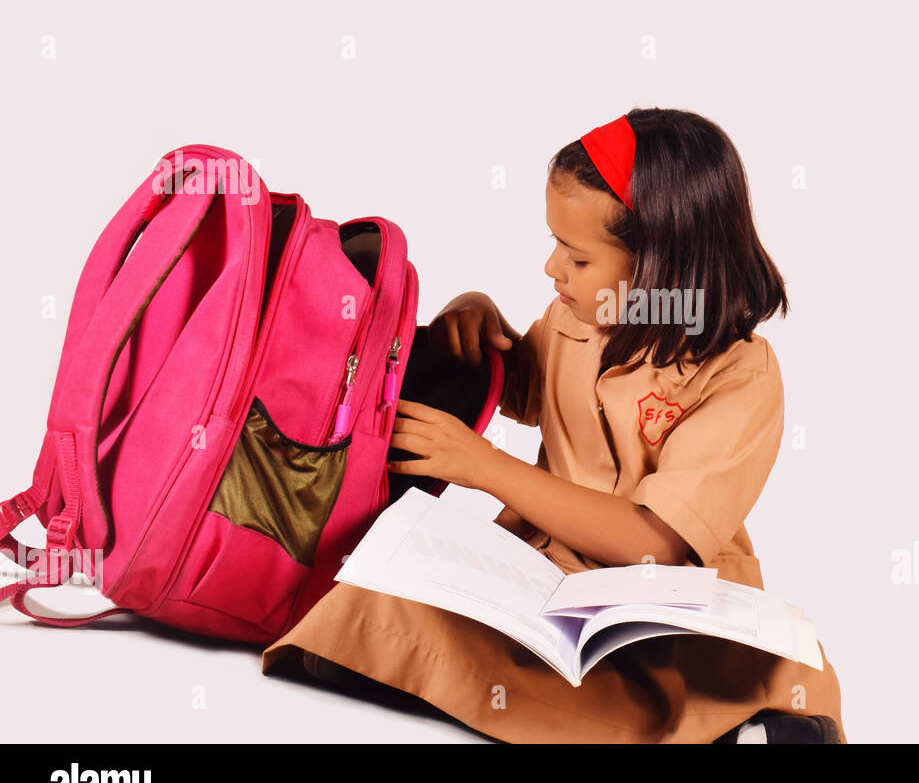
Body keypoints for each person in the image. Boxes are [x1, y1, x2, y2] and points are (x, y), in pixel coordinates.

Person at [261, 107, 847, 743]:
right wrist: (478, 322)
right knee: (376, 592)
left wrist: (484, 468)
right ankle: (653, 721)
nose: (552, 270)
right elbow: (526, 389)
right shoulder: (576, 319)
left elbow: (654, 543)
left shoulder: (740, 377)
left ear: (664, 271)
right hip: (544, 573)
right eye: (554, 246)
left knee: (768, 660)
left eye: (577, 257)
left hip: (666, 596)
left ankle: (726, 720)